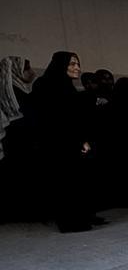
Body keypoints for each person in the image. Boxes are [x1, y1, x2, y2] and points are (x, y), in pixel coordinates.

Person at [33, 51, 104, 232]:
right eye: (72, 64)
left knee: (76, 181)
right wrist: (79, 141)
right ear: (60, 65)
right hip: (58, 144)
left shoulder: (67, 87)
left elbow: (74, 118)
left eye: (78, 64)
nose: (77, 68)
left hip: (69, 142)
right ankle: (70, 222)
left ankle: (82, 217)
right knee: (64, 183)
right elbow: (57, 120)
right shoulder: (46, 85)